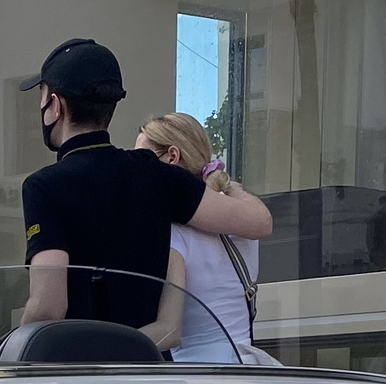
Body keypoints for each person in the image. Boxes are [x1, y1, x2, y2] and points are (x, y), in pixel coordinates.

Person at [16, 39, 272, 332]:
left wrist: (10, 348)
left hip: (83, 367)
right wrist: (225, 181)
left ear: (56, 106)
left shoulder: (44, 186)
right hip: (149, 367)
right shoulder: (152, 171)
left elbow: (49, 305)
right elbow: (258, 222)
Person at [136, 112, 272, 364]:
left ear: (172, 157)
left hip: (199, 377)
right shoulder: (242, 220)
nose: (139, 170)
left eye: (143, 158)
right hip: (247, 365)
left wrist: (109, 348)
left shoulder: (175, 233)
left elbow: (169, 330)